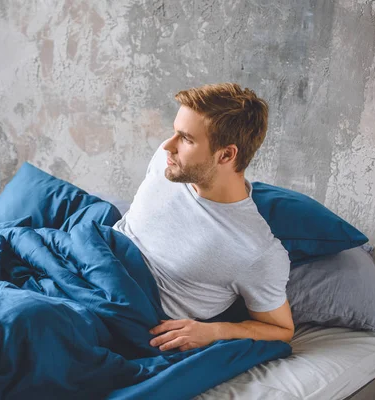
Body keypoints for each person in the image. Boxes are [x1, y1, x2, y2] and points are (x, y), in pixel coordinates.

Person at [113, 83, 294, 352]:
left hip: (124, 310)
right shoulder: (168, 162)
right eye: (175, 132)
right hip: (92, 263)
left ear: (226, 154)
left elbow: (283, 330)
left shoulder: (255, 250)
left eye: (186, 138)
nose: (168, 145)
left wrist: (214, 331)